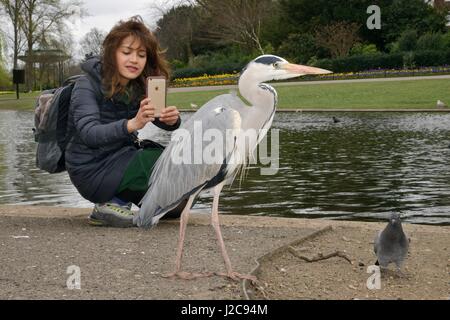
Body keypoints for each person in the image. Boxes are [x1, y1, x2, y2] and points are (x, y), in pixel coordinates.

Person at [65, 16, 182, 227]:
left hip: (122, 159)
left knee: (177, 204)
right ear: (112, 54)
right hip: (91, 169)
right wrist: (133, 124)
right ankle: (112, 202)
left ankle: (116, 203)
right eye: (126, 52)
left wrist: (171, 120)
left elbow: (155, 118)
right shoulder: (86, 85)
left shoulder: (136, 86)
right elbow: (89, 133)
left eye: (141, 54)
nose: (134, 60)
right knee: (165, 166)